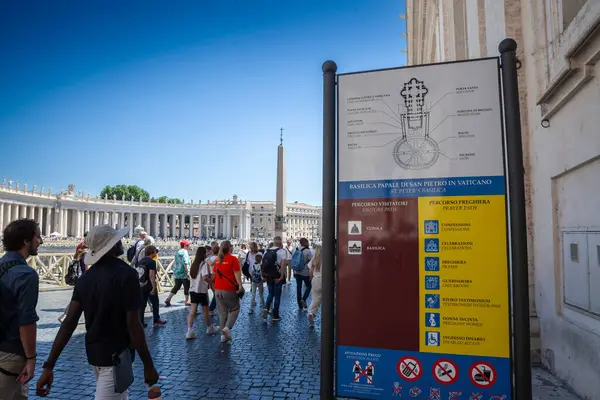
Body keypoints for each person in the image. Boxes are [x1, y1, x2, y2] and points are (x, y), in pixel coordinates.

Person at [36, 225, 159, 399]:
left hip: (94, 354)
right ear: (112, 246)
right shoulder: (127, 275)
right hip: (116, 357)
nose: (121, 242)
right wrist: (148, 364)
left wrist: (49, 365)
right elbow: (134, 325)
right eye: (117, 240)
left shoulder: (85, 279)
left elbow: (68, 323)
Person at [0, 219, 42, 399]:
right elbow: (26, 322)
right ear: (26, 241)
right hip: (10, 353)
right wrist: (31, 358)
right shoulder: (26, 275)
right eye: (38, 236)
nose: (41, 241)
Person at [213, 240, 244, 343]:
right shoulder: (233, 259)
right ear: (229, 248)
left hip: (217, 289)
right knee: (235, 309)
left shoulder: (218, 259)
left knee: (222, 313)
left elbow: (214, 275)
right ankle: (227, 328)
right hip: (229, 289)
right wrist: (240, 285)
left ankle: (223, 337)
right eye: (231, 246)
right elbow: (237, 274)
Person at [186, 247, 219, 339]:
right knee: (205, 311)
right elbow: (204, 278)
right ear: (203, 253)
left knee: (192, 311)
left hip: (193, 290)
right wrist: (211, 281)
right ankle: (209, 328)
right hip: (201, 290)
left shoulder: (194, 264)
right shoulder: (203, 264)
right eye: (206, 252)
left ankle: (189, 331)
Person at [137, 245, 167, 328]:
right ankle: (156, 321)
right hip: (149, 286)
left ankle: (140, 322)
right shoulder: (151, 262)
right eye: (155, 251)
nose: (156, 252)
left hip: (141, 285)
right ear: (152, 252)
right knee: (155, 303)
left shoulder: (140, 261)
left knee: (142, 305)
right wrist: (154, 286)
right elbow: (151, 275)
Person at [262, 236, 288, 321]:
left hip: (268, 275)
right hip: (277, 275)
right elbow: (283, 264)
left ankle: (266, 307)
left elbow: (263, 264)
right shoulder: (282, 251)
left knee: (270, 293)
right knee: (277, 295)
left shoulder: (267, 251)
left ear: (273, 242)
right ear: (280, 243)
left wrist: (263, 275)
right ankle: (275, 315)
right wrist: (282, 276)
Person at [165, 240, 192, 306]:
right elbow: (185, 262)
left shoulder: (178, 252)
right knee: (187, 286)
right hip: (184, 272)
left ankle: (168, 299)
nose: (189, 246)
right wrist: (188, 271)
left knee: (177, 286)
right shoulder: (185, 252)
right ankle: (187, 301)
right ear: (185, 246)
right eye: (188, 245)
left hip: (177, 272)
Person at [292, 238, 313, 310]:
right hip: (305, 272)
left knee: (298, 287)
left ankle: (299, 305)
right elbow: (311, 263)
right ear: (306, 243)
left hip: (297, 271)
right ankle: (303, 299)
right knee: (309, 286)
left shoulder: (296, 250)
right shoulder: (308, 251)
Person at [307, 245, 322, 326]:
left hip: (316, 280)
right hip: (326, 280)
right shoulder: (328, 258)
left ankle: (311, 313)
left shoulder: (314, 259)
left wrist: (310, 278)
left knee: (315, 299)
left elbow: (310, 271)